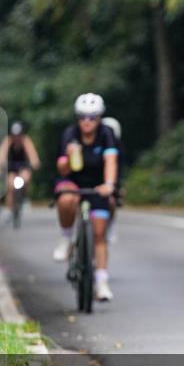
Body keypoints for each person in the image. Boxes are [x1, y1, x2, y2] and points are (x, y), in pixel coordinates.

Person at [53, 93, 119, 301]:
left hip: (98, 184)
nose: (87, 122)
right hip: (73, 181)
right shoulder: (70, 134)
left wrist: (109, 185)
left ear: (99, 118)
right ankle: (66, 238)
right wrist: (70, 156)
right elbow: (62, 168)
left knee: (99, 232)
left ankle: (101, 282)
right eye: (82, 117)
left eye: (92, 117)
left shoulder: (106, 133)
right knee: (65, 200)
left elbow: (111, 161)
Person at [0, 121, 41, 217]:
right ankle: (8, 208)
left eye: (18, 135)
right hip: (11, 167)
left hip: (23, 166)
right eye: (15, 135)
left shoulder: (25, 140)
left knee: (25, 178)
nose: (16, 137)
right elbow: (2, 153)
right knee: (10, 185)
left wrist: (35, 162)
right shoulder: (8, 140)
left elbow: (32, 153)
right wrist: (1, 163)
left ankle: (24, 197)